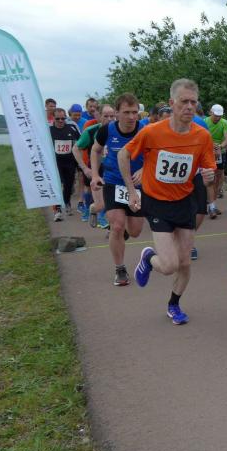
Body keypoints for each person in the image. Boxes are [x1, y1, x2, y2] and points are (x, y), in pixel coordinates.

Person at [122, 79, 216, 325]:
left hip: (184, 201)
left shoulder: (202, 135)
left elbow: (209, 169)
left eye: (193, 102)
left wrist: (209, 176)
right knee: (168, 266)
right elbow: (124, 154)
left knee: (184, 262)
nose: (189, 107)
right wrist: (132, 191)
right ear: (172, 103)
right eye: (184, 101)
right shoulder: (152, 132)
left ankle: (174, 304)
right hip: (157, 203)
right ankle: (149, 258)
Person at [90, 93, 144, 286]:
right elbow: (95, 150)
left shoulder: (145, 130)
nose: (131, 117)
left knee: (135, 231)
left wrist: (144, 169)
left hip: (137, 184)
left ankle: (122, 234)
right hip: (113, 181)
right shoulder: (107, 130)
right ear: (117, 113)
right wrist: (95, 175)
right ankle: (120, 268)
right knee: (117, 225)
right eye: (126, 112)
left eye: (134, 112)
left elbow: (155, 153)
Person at [73, 104, 116, 228]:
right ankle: (92, 209)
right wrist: (84, 168)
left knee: (115, 203)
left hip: (114, 170)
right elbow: (75, 149)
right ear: (99, 116)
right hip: (97, 169)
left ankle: (109, 225)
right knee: (100, 205)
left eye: (112, 116)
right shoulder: (91, 131)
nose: (109, 119)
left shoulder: (119, 130)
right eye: (106, 116)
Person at [49, 107, 81, 221]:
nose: (61, 121)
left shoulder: (71, 128)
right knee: (57, 185)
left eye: (63, 118)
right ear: (53, 118)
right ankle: (57, 209)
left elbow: (81, 141)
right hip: (56, 162)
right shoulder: (49, 131)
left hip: (70, 161)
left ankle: (66, 202)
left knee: (68, 185)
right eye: (58, 119)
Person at [204, 104, 227, 218]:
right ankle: (209, 204)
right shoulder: (205, 121)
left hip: (219, 151)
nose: (218, 118)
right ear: (211, 113)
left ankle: (213, 204)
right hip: (206, 150)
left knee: (217, 177)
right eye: (216, 116)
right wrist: (210, 146)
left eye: (220, 116)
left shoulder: (224, 123)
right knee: (208, 177)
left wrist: (220, 146)